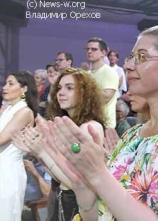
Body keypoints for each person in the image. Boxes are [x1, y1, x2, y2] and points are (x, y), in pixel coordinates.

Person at [40, 25, 158, 220]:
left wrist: (99, 175)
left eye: (141, 57)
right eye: (131, 58)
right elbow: (100, 214)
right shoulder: (132, 136)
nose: (128, 66)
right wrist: (83, 187)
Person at [16, 68, 107, 221]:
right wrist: (38, 153)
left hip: (79, 207)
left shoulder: (88, 128)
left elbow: (74, 182)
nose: (60, 93)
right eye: (59, 88)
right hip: (64, 201)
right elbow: (59, 177)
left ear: (85, 94)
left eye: (69, 88)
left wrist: (42, 152)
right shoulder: (72, 126)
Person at [0, 71, 38, 221]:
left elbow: (2, 138)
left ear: (24, 89)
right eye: (5, 83)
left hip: (8, 171)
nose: (5, 87)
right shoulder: (9, 109)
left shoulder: (25, 112)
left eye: (11, 84)